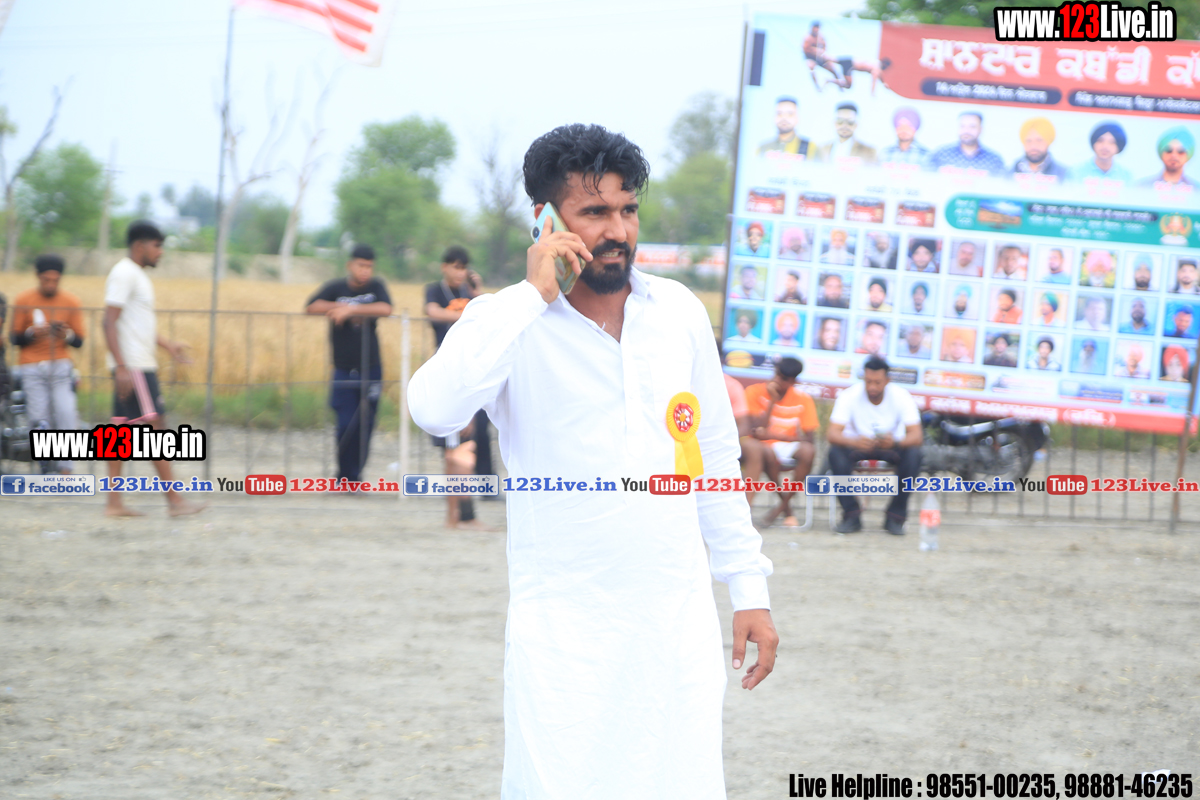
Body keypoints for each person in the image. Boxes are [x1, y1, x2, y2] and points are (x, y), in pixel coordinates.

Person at [407, 123, 777, 796]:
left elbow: (714, 460)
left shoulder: (678, 312)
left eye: (628, 210)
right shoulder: (508, 321)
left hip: (675, 621)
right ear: (546, 220)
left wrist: (748, 588)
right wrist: (532, 297)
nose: (618, 231)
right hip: (564, 636)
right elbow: (433, 409)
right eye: (595, 212)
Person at [102, 221, 201, 517]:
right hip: (134, 366)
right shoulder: (125, 273)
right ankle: (175, 502)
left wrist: (168, 345)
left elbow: (135, 325)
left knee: (120, 432)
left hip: (134, 363)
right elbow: (108, 321)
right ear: (139, 245)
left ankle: (114, 504)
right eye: (157, 246)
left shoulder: (135, 275)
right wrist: (122, 366)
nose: (161, 252)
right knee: (155, 427)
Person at [305, 244, 394, 486]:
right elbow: (312, 307)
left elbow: (386, 308)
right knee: (345, 423)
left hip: (371, 367)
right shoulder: (336, 288)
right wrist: (339, 308)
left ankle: (355, 478)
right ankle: (343, 476)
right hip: (343, 368)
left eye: (369, 267)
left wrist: (352, 310)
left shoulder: (376, 287)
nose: (365, 271)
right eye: (361, 265)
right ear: (350, 265)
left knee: (366, 425)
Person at [424, 245, 491, 529]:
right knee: (455, 447)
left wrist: (477, 292)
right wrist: (465, 316)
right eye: (455, 267)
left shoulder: (470, 293)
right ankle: (457, 516)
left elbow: (487, 316)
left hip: (471, 368)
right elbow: (433, 312)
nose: (459, 272)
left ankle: (463, 515)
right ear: (445, 267)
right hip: (448, 370)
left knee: (468, 444)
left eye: (464, 268)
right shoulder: (435, 290)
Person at [827, 356, 923, 535]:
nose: (872, 387)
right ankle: (851, 515)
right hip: (858, 445)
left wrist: (895, 442)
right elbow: (832, 433)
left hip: (890, 445)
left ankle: (895, 516)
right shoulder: (850, 395)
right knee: (835, 453)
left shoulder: (901, 396)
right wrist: (854, 441)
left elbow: (916, 436)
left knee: (913, 454)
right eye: (868, 381)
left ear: (887, 380)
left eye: (877, 382)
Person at [10, 255, 86, 475]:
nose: (51, 285)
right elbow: (15, 338)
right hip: (31, 365)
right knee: (39, 417)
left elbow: (79, 341)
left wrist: (65, 334)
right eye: (46, 280)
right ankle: (45, 467)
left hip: (60, 364)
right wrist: (32, 333)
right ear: (38, 277)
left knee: (66, 412)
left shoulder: (71, 302)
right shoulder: (24, 300)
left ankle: (66, 468)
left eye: (55, 280)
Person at [744, 357, 817, 528]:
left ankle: (781, 507)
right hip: (760, 448)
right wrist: (772, 400)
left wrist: (776, 436)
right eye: (776, 374)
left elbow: (810, 439)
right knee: (766, 452)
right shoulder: (754, 391)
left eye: (783, 378)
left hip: (785, 445)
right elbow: (754, 430)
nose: (777, 380)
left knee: (808, 451)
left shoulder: (803, 399)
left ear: (793, 382)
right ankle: (787, 510)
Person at [926, 111, 1006, 176]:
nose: (966, 131)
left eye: (972, 127)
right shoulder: (940, 154)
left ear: (981, 129)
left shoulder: (994, 160)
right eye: (962, 126)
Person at [802, 21, 841, 88]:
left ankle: (840, 85)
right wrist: (814, 51)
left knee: (833, 69)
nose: (816, 30)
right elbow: (806, 50)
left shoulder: (821, 37)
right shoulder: (808, 38)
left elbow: (824, 47)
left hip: (820, 58)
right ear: (812, 28)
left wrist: (822, 53)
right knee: (811, 68)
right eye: (815, 28)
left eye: (818, 28)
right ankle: (817, 86)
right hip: (811, 58)